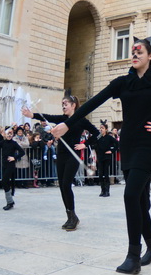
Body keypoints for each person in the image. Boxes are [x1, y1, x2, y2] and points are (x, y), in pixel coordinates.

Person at [51, 37, 151, 274]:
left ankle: (133, 255)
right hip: (127, 145)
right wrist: (67, 123)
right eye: (133, 52)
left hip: (148, 145)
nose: (134, 55)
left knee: (130, 196)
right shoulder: (123, 83)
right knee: (140, 201)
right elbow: (92, 103)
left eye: (140, 52)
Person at [23, 94, 99, 229]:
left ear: (73, 105)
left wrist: (85, 144)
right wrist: (32, 115)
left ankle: (72, 216)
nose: (63, 106)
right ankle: (71, 216)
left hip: (73, 154)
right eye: (62, 104)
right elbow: (48, 117)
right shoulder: (62, 119)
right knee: (62, 187)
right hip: (61, 154)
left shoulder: (81, 119)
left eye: (66, 103)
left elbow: (97, 133)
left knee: (66, 184)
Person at [0, 128, 25, 210]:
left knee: (4, 181)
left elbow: (22, 152)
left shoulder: (14, 143)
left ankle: (10, 201)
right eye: (8, 133)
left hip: (11, 165)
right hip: (4, 165)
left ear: (12, 135)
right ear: (5, 134)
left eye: (11, 134)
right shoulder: (3, 142)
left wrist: (14, 158)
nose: (9, 135)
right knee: (5, 182)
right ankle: (10, 201)